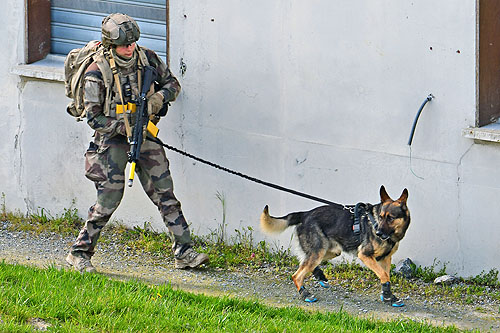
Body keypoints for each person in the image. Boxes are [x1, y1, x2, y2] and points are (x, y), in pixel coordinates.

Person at [66, 13, 209, 273]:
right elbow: (93, 118)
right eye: (124, 45)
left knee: (166, 195)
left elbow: (172, 84)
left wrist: (159, 99)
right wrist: (123, 127)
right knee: (109, 200)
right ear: (111, 45)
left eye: (132, 43)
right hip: (111, 142)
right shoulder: (96, 72)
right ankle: (79, 252)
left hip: (145, 136)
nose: (130, 48)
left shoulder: (147, 59)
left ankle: (184, 252)